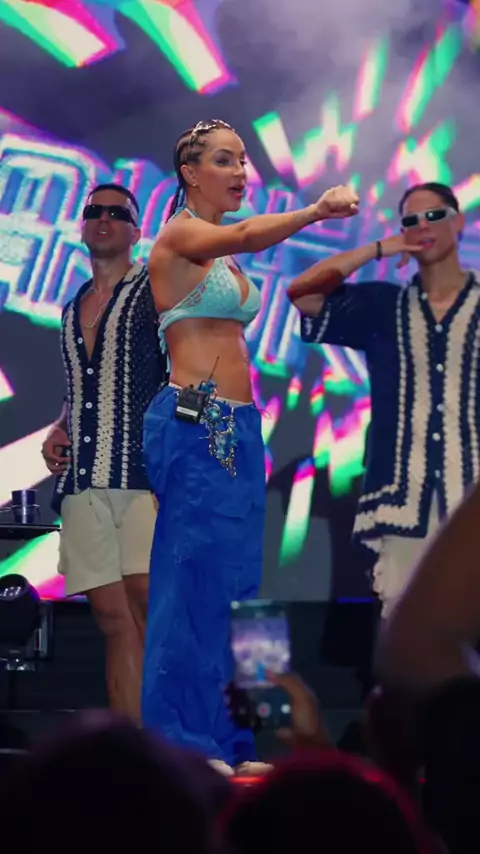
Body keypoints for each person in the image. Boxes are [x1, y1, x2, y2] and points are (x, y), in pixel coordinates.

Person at [142, 117, 359, 775]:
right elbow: (242, 234)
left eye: (242, 160)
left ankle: (238, 742)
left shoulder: (224, 255)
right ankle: (183, 743)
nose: (240, 172)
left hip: (236, 425)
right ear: (189, 173)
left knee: (241, 586)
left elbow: (238, 243)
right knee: (192, 580)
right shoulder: (181, 235)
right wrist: (316, 211)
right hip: (195, 421)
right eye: (224, 160)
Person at [289, 181, 479, 616]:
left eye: (435, 215)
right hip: (404, 500)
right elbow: (304, 294)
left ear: (459, 223)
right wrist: (379, 248)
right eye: (411, 220)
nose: (423, 225)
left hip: (473, 499)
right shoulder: (384, 306)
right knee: (409, 633)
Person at [41, 183, 166, 723]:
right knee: (113, 621)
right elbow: (84, 387)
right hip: (83, 482)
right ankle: (137, 752)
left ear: (137, 230)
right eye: (94, 211)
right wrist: (60, 425)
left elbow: (189, 368)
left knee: (151, 609)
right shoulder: (73, 305)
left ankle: (180, 746)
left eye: (118, 212)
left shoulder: (156, 290)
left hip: (143, 476)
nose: (104, 218)